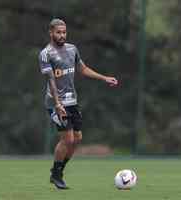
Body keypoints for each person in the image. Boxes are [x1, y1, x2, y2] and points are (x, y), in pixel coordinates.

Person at [38, 18, 118, 190]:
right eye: (58, 32)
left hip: (72, 101)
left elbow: (83, 69)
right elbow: (51, 80)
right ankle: (57, 175)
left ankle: (57, 171)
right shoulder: (46, 54)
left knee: (77, 139)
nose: (62, 35)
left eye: (64, 32)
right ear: (51, 33)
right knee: (67, 139)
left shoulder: (72, 49)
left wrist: (104, 78)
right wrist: (58, 104)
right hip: (55, 103)